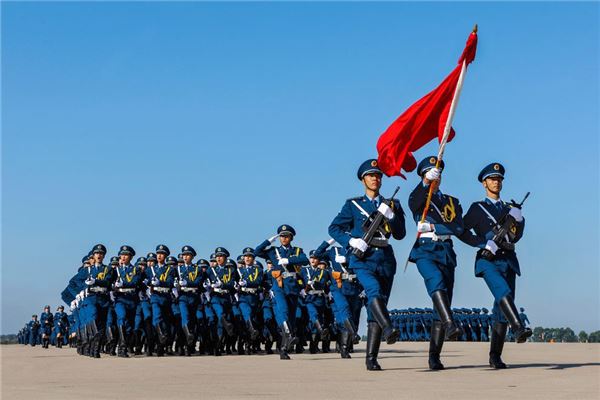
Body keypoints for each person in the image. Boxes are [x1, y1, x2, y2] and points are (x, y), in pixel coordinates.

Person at [328, 159, 406, 371]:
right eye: (371, 175)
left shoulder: (393, 204)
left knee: (377, 305)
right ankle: (389, 328)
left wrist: (392, 217)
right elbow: (334, 228)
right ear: (363, 179)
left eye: (378, 175)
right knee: (373, 291)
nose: (375, 178)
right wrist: (351, 241)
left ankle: (371, 357)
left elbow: (400, 234)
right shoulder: (353, 205)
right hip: (363, 258)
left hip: (385, 257)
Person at [459, 162, 532, 369]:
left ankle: (495, 356)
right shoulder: (477, 208)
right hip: (488, 260)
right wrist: (483, 243)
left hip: (508, 259)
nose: (496, 182)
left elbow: (515, 237)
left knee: (501, 308)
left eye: (499, 179)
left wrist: (519, 221)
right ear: (484, 183)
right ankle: (518, 328)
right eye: (492, 179)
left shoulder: (509, 209)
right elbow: (462, 231)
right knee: (503, 291)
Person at [408, 156, 465, 370]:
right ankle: (451, 324)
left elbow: (458, 227)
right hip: (425, 250)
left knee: (441, 306)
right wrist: (424, 184)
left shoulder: (452, 201)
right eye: (431, 173)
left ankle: (434, 356)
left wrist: (434, 228)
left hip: (446, 251)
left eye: (438, 173)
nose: (436, 176)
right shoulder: (420, 198)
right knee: (435, 282)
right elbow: (413, 202)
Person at [255, 225, 309, 360]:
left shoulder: (297, 250)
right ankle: (288, 335)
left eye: (286, 236)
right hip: (278, 285)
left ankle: (284, 349)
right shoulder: (273, 251)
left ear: (291, 237)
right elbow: (257, 251)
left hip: (292, 286)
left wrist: (289, 260)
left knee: (290, 317)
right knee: (283, 310)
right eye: (281, 236)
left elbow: (305, 260)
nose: (284, 238)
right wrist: (269, 241)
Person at [146, 244, 177, 357]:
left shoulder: (170, 269)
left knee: (165, 322)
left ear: (166, 256)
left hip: (166, 297)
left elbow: (169, 282)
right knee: (157, 317)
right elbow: (145, 281)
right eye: (158, 253)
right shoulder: (150, 270)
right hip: (155, 296)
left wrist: (160, 283)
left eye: (162, 254)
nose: (159, 256)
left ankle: (160, 346)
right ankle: (161, 337)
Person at [177, 245, 203, 356]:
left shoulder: (197, 269)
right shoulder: (177, 269)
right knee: (185, 317)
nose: (185, 257)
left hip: (194, 297)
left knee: (193, 321)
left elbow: (198, 282)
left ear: (192, 256)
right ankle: (187, 339)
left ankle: (189, 346)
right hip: (183, 297)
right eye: (184, 255)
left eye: (187, 255)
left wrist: (187, 283)